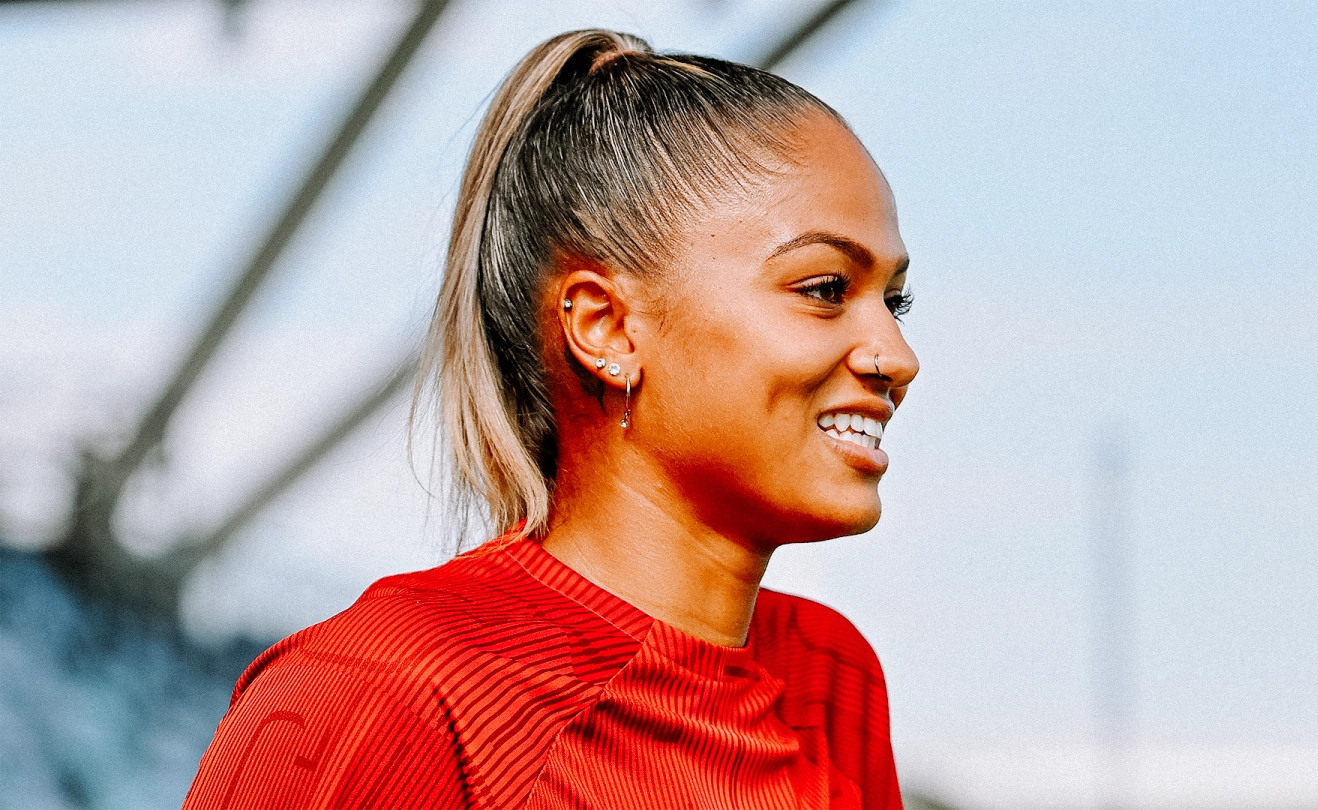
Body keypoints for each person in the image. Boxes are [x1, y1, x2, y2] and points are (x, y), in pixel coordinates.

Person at [182, 27, 918, 810]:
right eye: (825, 288)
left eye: (895, 301)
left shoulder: (831, 681)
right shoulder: (383, 692)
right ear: (605, 327)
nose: (897, 355)